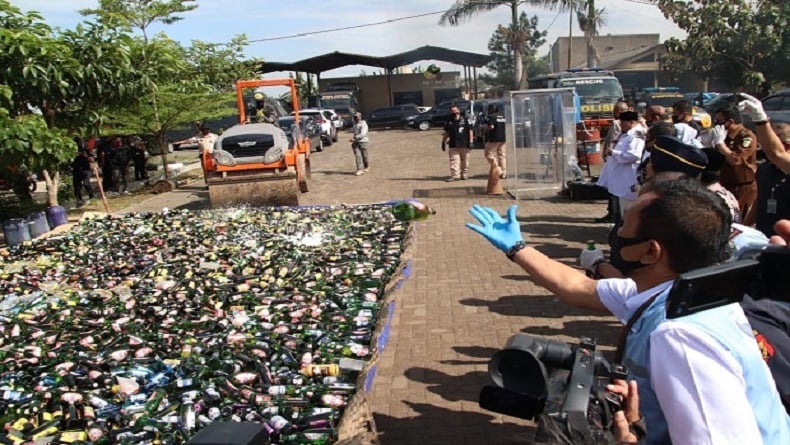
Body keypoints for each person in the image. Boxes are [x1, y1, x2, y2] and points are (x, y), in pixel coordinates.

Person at [466, 177, 790, 444]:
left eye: (624, 229)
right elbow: (579, 287)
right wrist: (517, 247)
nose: (616, 236)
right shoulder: (684, 293)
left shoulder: (681, 333)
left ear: (651, 251)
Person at [595, 111, 645, 224]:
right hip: (620, 178)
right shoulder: (627, 134)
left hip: (628, 179)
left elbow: (634, 155)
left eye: (622, 123)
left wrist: (614, 153)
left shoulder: (636, 135)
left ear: (631, 122)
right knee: (620, 209)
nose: (621, 125)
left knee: (627, 211)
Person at [712, 106, 758, 225]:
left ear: (730, 122)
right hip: (726, 182)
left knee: (739, 222)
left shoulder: (746, 136)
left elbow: (736, 160)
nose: (716, 124)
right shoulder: (724, 135)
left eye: (719, 121)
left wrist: (721, 145)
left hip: (742, 186)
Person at [596, 101, 632, 223]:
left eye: (619, 111)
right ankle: (613, 213)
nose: (617, 114)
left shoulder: (618, 124)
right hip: (615, 159)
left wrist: (608, 154)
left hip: (616, 159)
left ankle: (614, 214)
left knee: (614, 189)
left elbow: (612, 141)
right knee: (613, 188)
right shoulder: (621, 124)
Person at [441, 104, 472, 182]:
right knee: (454, 160)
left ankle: (464, 174)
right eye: (452, 111)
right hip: (453, 144)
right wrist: (443, 142)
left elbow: (470, 131)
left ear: (459, 111)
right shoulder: (449, 121)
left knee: (465, 160)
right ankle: (455, 176)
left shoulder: (465, 119)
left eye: (456, 110)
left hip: (464, 143)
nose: (454, 112)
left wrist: (471, 142)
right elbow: (447, 132)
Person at [483, 103, 507, 179]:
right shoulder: (503, 116)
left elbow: (491, 127)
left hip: (494, 138)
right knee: (502, 155)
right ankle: (504, 172)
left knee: (488, 154)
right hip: (503, 137)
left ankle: (498, 170)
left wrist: (485, 127)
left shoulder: (491, 116)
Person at [71, 138, 95, 208]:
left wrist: (86, 156)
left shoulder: (86, 150)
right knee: (77, 186)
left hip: (85, 169)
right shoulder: (71, 150)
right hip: (76, 170)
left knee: (86, 183)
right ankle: (79, 201)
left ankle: (92, 196)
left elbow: (92, 160)